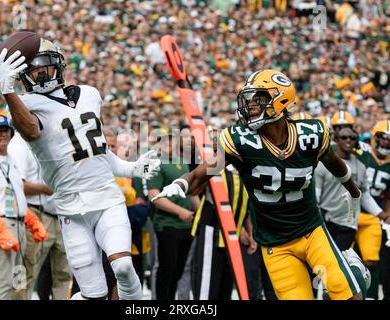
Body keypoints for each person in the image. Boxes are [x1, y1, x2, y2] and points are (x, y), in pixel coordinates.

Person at [153, 69, 369, 300]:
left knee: (348, 294)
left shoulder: (311, 134)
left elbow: (334, 163)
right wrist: (180, 184)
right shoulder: (240, 140)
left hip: (312, 232)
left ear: (280, 100)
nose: (250, 106)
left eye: (259, 100)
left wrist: (353, 190)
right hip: (275, 245)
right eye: (250, 100)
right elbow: (199, 176)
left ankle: (354, 271)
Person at [0, 38, 161, 300]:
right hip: (71, 208)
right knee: (92, 293)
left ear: (59, 66)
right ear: (22, 77)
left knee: (124, 266)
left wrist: (132, 169)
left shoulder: (89, 94)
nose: (40, 74)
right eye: (33, 70)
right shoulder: (22, 106)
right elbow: (31, 131)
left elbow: (97, 152)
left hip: (107, 198)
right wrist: (8, 91)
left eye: (45, 67)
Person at [0, 114, 47, 300]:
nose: (2, 135)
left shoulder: (11, 160)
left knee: (18, 282)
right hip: (3, 225)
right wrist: (1, 231)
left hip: (20, 224)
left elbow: (16, 195)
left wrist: (31, 219)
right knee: (3, 281)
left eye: (5, 130)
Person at [8, 132, 72, 300]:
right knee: (25, 271)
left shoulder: (51, 138)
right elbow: (16, 184)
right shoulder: (18, 144)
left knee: (64, 273)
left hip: (61, 214)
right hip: (33, 213)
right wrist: (45, 188)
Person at [147, 130, 199, 300]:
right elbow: (154, 195)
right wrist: (180, 211)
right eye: (165, 142)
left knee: (178, 270)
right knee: (166, 270)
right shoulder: (156, 164)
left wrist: (199, 211)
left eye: (172, 141)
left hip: (187, 224)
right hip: (167, 224)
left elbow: (191, 191)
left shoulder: (182, 163)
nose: (169, 145)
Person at [316, 127, 385, 253]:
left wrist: (381, 214)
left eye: (352, 138)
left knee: (341, 261)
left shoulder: (361, 167)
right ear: (336, 139)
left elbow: (364, 195)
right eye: (344, 137)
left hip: (348, 223)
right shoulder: (324, 163)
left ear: (356, 142)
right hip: (326, 220)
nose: (348, 140)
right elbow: (316, 193)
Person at [353, 120, 390, 299]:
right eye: (382, 137)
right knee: (343, 260)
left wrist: (389, 216)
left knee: (372, 260)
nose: (386, 142)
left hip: (373, 215)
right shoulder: (360, 153)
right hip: (348, 213)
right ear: (374, 136)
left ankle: (371, 295)